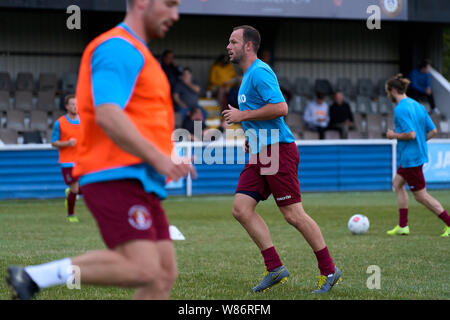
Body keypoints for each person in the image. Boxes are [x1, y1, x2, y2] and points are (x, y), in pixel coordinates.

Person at [6, 0, 196, 300]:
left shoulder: (139, 53)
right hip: (113, 174)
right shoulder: (117, 47)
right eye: (170, 4)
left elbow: (139, 118)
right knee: (143, 268)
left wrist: (167, 154)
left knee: (162, 275)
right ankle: (33, 276)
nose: (176, 14)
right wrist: (158, 157)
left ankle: (33, 276)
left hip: (137, 177)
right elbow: (107, 113)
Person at [223, 25, 341, 294]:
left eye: (233, 42)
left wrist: (243, 117)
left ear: (249, 46)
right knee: (241, 209)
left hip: (278, 151)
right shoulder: (247, 76)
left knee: (293, 215)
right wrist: (251, 135)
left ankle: (329, 270)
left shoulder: (260, 71)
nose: (228, 46)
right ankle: (275, 268)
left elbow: (281, 108)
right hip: (260, 153)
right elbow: (263, 115)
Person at [385, 74, 449, 237]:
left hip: (410, 159)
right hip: (414, 156)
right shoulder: (418, 105)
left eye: (388, 92)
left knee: (421, 196)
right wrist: (420, 142)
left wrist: (393, 136)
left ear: (393, 90)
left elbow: (411, 134)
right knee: (397, 183)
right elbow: (433, 130)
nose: (388, 95)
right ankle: (403, 226)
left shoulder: (400, 109)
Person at [50, 94, 81, 223]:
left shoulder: (85, 120)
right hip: (67, 161)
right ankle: (71, 214)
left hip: (82, 160)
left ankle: (70, 194)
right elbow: (53, 142)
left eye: (77, 104)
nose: (75, 106)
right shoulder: (60, 123)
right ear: (67, 106)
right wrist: (67, 143)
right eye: (72, 104)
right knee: (75, 188)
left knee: (86, 187)